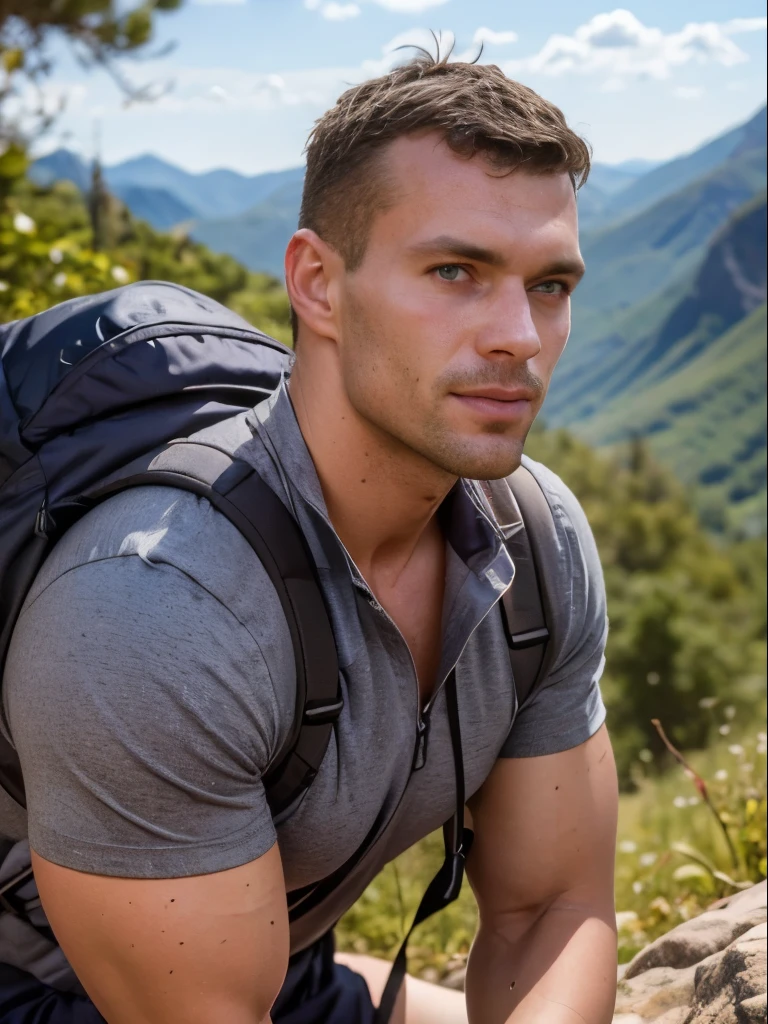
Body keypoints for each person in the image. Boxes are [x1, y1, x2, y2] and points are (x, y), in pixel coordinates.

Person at [1, 50, 619, 1024]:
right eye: (456, 271)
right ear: (318, 285)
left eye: (550, 284)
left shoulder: (534, 548)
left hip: (257, 964)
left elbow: (555, 907)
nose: (521, 336)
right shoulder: (153, 606)